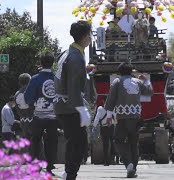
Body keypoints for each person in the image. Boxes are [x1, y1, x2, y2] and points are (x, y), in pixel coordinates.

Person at [54, 20, 92, 180]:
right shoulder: (76, 57)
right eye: (90, 34)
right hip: (70, 106)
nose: (90, 38)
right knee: (79, 143)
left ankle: (67, 172)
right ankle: (70, 175)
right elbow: (74, 86)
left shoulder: (66, 52)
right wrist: (81, 109)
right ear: (85, 37)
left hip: (62, 105)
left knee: (74, 140)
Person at [104, 62, 153, 178]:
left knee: (118, 140)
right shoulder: (138, 82)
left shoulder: (116, 82)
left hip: (122, 117)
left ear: (119, 72)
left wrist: (109, 115)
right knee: (133, 143)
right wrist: (147, 80)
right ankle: (133, 169)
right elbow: (149, 92)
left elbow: (111, 99)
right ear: (131, 71)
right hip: (136, 117)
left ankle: (128, 162)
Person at [24, 52, 58, 175]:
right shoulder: (57, 79)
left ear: (40, 63)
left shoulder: (35, 79)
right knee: (52, 142)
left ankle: (36, 166)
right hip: (53, 117)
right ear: (53, 63)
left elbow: (27, 99)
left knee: (36, 140)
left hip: (38, 116)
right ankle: (49, 167)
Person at [92, 96, 116, 166]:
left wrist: (94, 126)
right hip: (111, 127)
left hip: (104, 128)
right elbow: (116, 117)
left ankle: (106, 161)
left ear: (103, 101)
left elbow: (96, 118)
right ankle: (112, 159)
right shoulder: (113, 108)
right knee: (112, 143)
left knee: (105, 145)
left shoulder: (100, 109)